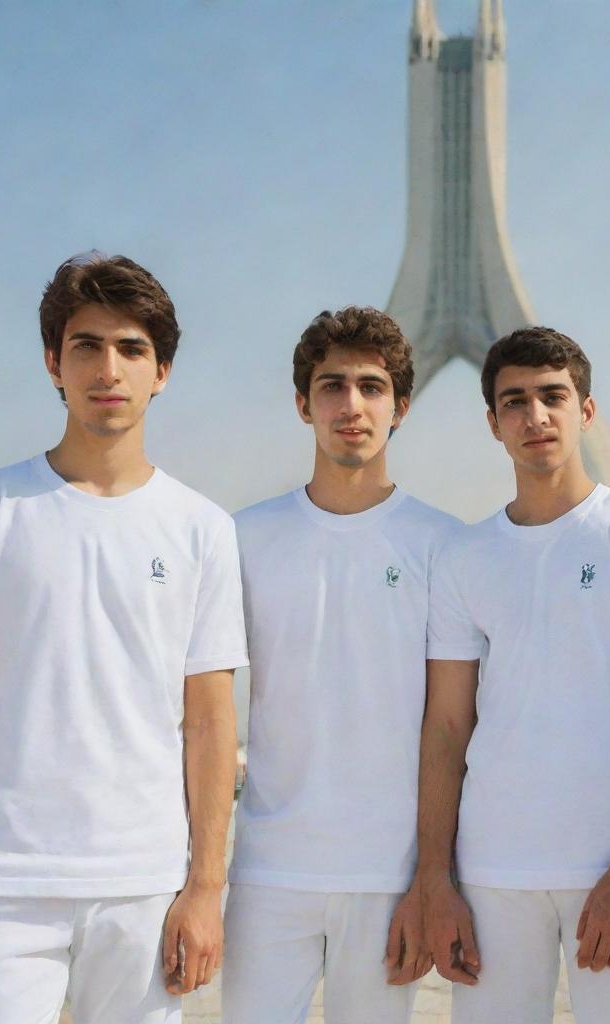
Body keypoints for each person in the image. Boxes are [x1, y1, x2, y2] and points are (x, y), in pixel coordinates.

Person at [0, 253, 248, 1023]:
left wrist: (205, 888)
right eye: (86, 345)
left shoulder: (201, 528)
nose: (108, 368)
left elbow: (209, 721)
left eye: (132, 348)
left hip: (142, 883)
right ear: (54, 361)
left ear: (162, 371)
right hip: (3, 882)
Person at [416, 327, 610, 1024]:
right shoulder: (464, 557)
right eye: (516, 402)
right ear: (493, 423)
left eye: (552, 397)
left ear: (585, 411)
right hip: (494, 874)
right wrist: (435, 880)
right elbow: (446, 727)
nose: (535, 416)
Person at [222, 306, 459, 1024]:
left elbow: (449, 727)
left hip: (388, 878)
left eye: (371, 386)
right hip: (268, 870)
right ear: (303, 404)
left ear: (401, 408)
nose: (350, 405)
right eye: (331, 386)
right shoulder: (244, 537)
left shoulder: (443, 544)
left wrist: (432, 877)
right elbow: (200, 711)